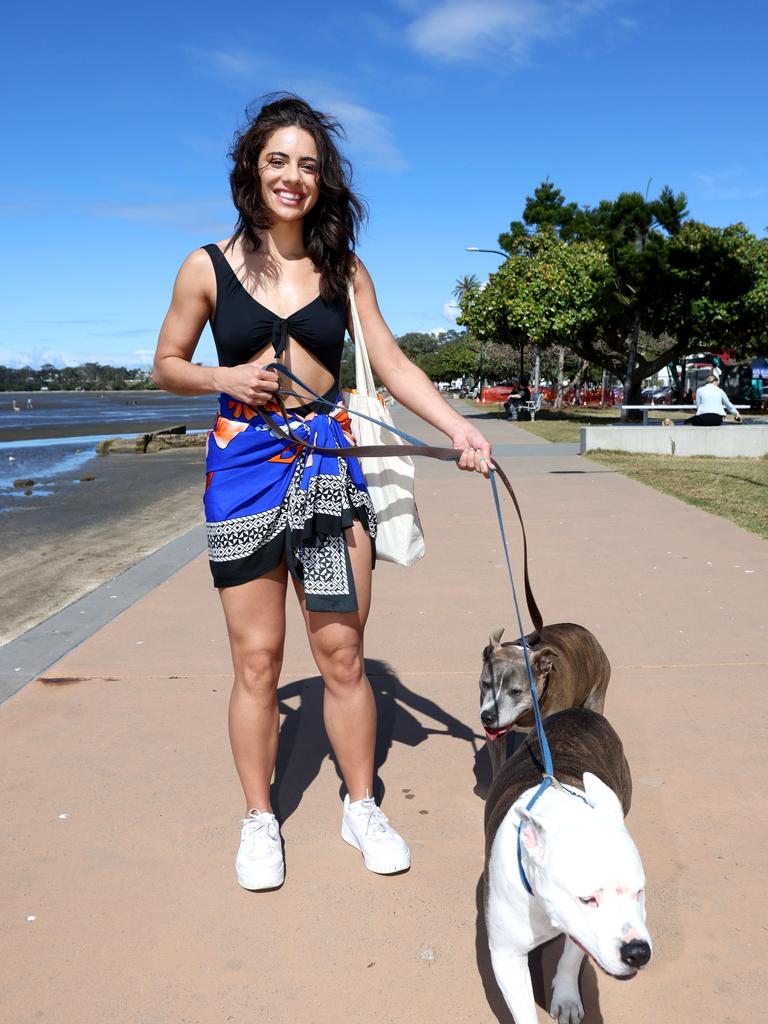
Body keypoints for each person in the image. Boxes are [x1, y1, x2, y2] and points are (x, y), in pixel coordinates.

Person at [151, 93, 492, 891]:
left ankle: (362, 804)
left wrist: (459, 430)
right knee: (259, 661)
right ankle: (259, 819)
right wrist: (223, 374)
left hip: (327, 472)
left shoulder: (343, 268)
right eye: (278, 160)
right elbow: (165, 364)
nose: (292, 177)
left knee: (341, 653)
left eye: (308, 164)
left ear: (322, 178)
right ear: (252, 168)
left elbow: (396, 365)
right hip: (240, 473)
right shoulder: (207, 265)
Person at [662, 374, 742, 426]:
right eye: (717, 383)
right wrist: (736, 414)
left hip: (703, 418)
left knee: (687, 422)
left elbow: (698, 406)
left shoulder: (700, 390)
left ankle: (671, 423)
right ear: (715, 382)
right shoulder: (720, 391)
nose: (717, 384)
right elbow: (729, 405)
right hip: (717, 420)